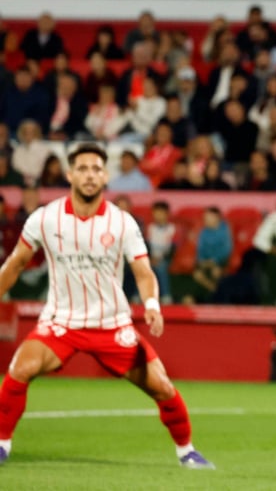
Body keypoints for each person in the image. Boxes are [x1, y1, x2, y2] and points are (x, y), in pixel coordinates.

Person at [0, 143, 214, 469]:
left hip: (112, 325)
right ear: (70, 174)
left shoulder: (122, 222)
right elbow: (15, 264)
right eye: (83, 169)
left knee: (162, 387)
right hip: (61, 322)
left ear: (106, 176)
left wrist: (152, 304)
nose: (90, 175)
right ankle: (2, 444)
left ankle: (187, 452)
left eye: (96, 169)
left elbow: (143, 271)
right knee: (19, 370)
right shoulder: (45, 219)